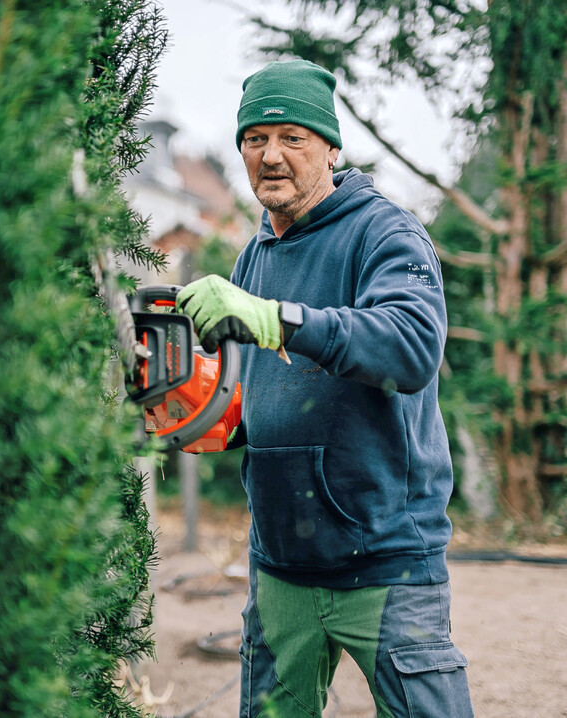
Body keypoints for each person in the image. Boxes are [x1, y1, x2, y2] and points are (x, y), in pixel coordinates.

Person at [176, 59, 474, 718]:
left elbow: (409, 350)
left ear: (330, 148)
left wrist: (278, 320)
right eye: (255, 139)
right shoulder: (253, 257)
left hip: (387, 562)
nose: (270, 155)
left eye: (292, 137)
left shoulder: (384, 233)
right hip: (281, 563)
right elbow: (253, 395)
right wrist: (195, 411)